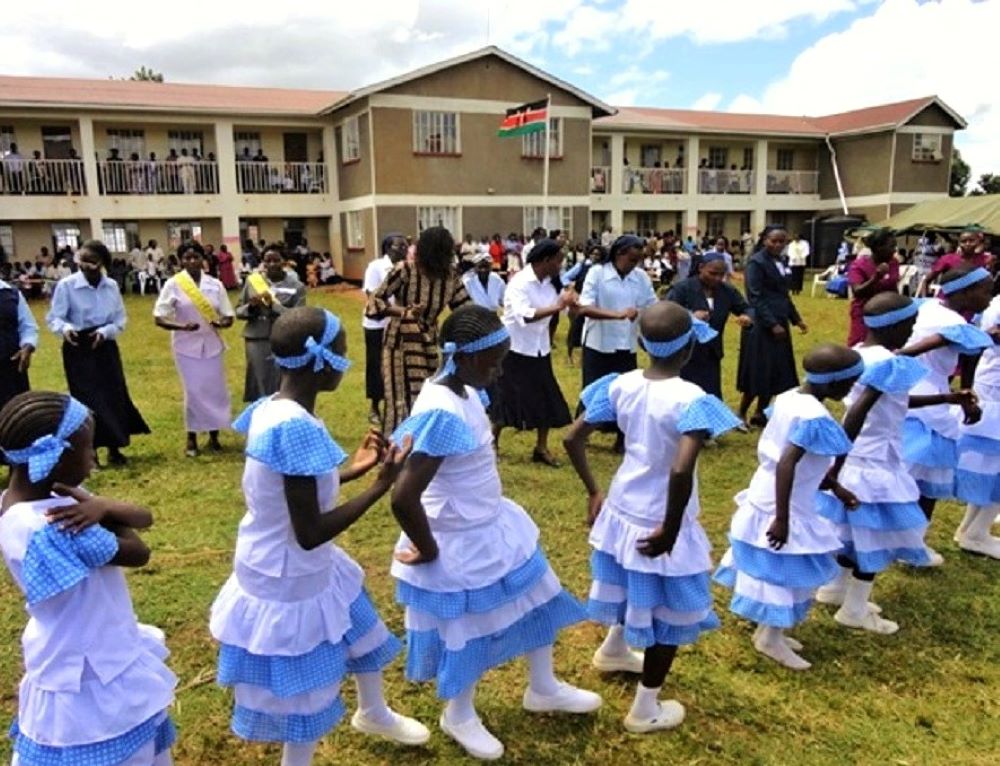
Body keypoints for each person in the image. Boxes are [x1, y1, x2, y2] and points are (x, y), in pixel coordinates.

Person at [210, 307, 429, 765]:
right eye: (344, 352)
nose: (348, 362)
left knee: (359, 625)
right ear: (320, 362)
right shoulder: (294, 426)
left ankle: (374, 712)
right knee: (306, 689)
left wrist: (353, 471)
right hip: (291, 574)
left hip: (286, 560)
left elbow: (299, 488)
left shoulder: (275, 408)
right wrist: (380, 486)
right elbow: (309, 531)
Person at [389, 305, 600, 760]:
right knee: (470, 628)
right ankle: (458, 712)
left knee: (537, 595)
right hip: (458, 540)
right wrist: (427, 550)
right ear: (463, 359)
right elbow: (404, 496)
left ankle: (543, 686)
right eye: (495, 362)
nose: (501, 370)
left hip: (491, 522)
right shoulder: (443, 411)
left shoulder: (465, 388)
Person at [563, 302, 740, 733]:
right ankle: (645, 709)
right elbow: (680, 469)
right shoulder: (692, 399)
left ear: (641, 343)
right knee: (666, 614)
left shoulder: (620, 385)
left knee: (631, 583)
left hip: (624, 507)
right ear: (692, 347)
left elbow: (572, 437)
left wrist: (593, 490)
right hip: (660, 518)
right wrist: (674, 528)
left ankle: (614, 648)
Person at [0, 391, 176, 765]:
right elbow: (139, 551)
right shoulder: (61, 522)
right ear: (57, 457)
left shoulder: (12, 507)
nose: (94, 459)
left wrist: (103, 506)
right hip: (95, 666)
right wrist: (103, 508)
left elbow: (142, 517)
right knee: (114, 745)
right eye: (88, 449)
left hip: (61, 652)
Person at [715, 344, 862, 670]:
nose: (851, 389)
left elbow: (799, 457)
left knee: (773, 565)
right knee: (785, 570)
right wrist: (783, 518)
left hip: (768, 491)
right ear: (830, 382)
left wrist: (836, 487)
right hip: (786, 500)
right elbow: (788, 463)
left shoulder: (789, 397)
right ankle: (770, 636)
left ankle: (770, 628)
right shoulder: (813, 416)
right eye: (848, 384)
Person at [816, 294, 958, 632]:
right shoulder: (891, 363)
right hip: (876, 459)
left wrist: (945, 397)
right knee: (875, 536)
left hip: (859, 456)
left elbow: (895, 402)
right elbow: (858, 411)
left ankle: (835, 587)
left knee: (852, 529)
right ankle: (854, 607)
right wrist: (837, 462)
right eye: (908, 327)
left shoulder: (858, 355)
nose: (911, 334)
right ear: (894, 327)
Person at [898, 266, 992, 564]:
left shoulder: (927, 306)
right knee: (925, 480)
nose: (990, 297)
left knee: (911, 476)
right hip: (930, 401)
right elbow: (950, 343)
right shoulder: (953, 323)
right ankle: (912, 544)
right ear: (964, 292)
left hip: (911, 392)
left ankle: (906, 541)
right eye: (985, 290)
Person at [46, 240, 149, 466]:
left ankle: (115, 447)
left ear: (102, 263)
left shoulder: (111, 286)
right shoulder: (67, 286)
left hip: (104, 345)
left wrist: (105, 332)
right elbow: (54, 318)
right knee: (86, 400)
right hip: (78, 347)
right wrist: (66, 329)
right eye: (81, 260)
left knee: (114, 396)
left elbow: (120, 319)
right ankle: (90, 451)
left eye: (91, 262)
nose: (85, 266)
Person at [365, 226, 471, 432]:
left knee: (427, 394)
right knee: (398, 396)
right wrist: (403, 312)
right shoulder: (404, 270)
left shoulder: (450, 277)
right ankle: (395, 447)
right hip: (399, 342)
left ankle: (421, 443)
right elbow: (373, 302)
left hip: (429, 343)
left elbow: (465, 309)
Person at [491, 239, 574, 466]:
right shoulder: (519, 283)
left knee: (545, 396)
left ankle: (541, 448)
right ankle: (492, 444)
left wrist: (571, 302)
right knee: (507, 398)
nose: (560, 265)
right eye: (558, 261)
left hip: (539, 348)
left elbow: (563, 307)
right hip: (515, 348)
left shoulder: (550, 283)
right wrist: (558, 306)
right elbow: (525, 315)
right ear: (545, 260)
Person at [154, 240, 235, 457]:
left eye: (196, 257)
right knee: (193, 392)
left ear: (203, 259)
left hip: (212, 345)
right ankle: (191, 437)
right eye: (187, 258)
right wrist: (182, 326)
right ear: (181, 260)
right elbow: (159, 317)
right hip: (185, 346)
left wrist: (223, 323)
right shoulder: (174, 284)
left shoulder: (215, 285)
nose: (192, 261)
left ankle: (214, 435)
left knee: (214, 389)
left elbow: (228, 316)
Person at [578, 234, 658, 450]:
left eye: (638, 260)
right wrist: (618, 314)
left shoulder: (640, 277)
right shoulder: (598, 273)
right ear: (618, 254)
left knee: (626, 391)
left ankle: (622, 439)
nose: (635, 265)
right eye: (632, 259)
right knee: (594, 390)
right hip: (599, 342)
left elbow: (652, 305)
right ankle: (581, 434)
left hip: (626, 343)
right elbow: (584, 307)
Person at [737, 226, 807, 428]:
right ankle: (741, 413)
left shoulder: (782, 262)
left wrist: (796, 319)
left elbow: (784, 294)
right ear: (765, 240)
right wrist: (773, 324)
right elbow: (755, 296)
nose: (777, 245)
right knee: (758, 370)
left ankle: (760, 413)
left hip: (780, 321)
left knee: (776, 370)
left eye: (781, 242)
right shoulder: (756, 263)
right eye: (773, 241)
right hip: (761, 324)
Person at [953, 289, 1000, 559]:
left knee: (990, 465)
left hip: (991, 385)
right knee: (992, 465)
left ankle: (972, 528)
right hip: (994, 389)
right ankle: (976, 532)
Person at [666, 253, 751, 398]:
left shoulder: (727, 291)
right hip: (685, 354)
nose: (717, 278)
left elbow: (746, 308)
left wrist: (747, 317)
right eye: (712, 273)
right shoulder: (682, 288)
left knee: (710, 395)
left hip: (711, 353)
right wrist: (690, 317)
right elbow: (666, 313)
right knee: (685, 396)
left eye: (721, 275)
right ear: (701, 268)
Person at [236, 243, 307, 402]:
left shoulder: (296, 286)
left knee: (283, 382)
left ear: (285, 261)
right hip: (257, 338)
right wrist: (252, 307)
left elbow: (298, 316)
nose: (272, 264)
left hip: (284, 338)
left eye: (276, 260)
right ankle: (260, 418)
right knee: (259, 380)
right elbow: (238, 311)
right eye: (267, 261)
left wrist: (274, 306)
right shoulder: (253, 281)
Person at [362, 233, 407, 425]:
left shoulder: (407, 268)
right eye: (400, 246)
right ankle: (374, 406)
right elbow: (371, 295)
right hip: (378, 324)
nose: (405, 249)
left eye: (406, 246)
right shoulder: (376, 267)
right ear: (388, 248)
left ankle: (397, 403)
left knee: (397, 363)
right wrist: (397, 311)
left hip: (400, 323)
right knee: (376, 364)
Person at [846, 228, 901, 346]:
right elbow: (857, 291)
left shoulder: (893, 263)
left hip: (888, 313)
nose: (894, 250)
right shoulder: (858, 265)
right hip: (865, 314)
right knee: (861, 347)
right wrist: (876, 277)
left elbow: (893, 287)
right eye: (891, 246)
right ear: (878, 248)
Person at [918, 227, 994, 297]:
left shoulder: (984, 260)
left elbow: (987, 284)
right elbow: (926, 280)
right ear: (959, 243)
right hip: (946, 303)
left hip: (970, 305)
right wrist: (925, 300)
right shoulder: (948, 259)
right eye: (963, 241)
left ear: (978, 241)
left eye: (971, 240)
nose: (967, 244)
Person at [0, 274, 38, 412]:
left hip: (10, 367)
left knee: (14, 416)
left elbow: (28, 326)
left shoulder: (12, 293)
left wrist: (27, 347)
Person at [566, 244, 606, 366]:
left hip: (596, 305)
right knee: (574, 330)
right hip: (579, 303)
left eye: (598, 254)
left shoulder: (605, 270)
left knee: (590, 332)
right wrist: (573, 292)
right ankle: (569, 357)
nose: (595, 256)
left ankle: (584, 358)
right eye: (593, 254)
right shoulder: (583, 266)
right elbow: (565, 278)